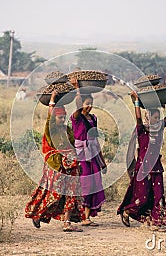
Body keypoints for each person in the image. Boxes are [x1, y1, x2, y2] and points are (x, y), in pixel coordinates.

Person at [25, 91, 84, 232]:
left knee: (71, 193)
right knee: (54, 193)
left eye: (64, 117)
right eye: (59, 117)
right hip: (56, 165)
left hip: (71, 165)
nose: (62, 120)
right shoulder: (51, 129)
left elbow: (73, 144)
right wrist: (52, 99)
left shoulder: (67, 130)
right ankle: (37, 213)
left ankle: (67, 223)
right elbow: (49, 117)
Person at [117, 91, 166, 232]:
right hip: (143, 170)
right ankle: (127, 211)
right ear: (148, 118)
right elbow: (137, 118)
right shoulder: (142, 130)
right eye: (155, 118)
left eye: (158, 118)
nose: (157, 120)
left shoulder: (160, 129)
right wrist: (137, 101)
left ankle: (156, 222)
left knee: (159, 195)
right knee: (142, 198)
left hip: (156, 168)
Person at [69, 77, 106, 227]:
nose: (89, 106)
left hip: (93, 154)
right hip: (81, 155)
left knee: (94, 184)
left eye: (91, 103)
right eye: (86, 104)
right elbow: (77, 106)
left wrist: (102, 161)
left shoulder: (93, 119)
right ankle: (79, 215)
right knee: (84, 184)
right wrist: (77, 88)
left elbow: (95, 141)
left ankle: (87, 217)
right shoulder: (76, 118)